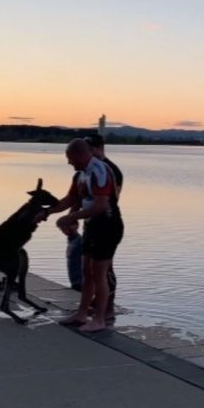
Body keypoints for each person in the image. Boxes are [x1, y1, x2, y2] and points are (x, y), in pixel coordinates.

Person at [47, 138, 124, 332]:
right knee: (86, 271)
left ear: (81, 155)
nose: (68, 163)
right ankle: (82, 313)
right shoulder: (80, 175)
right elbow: (70, 199)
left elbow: (100, 205)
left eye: (70, 158)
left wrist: (71, 217)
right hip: (91, 225)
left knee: (99, 272)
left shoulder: (100, 171)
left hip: (108, 225)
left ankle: (100, 318)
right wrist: (47, 212)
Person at [83, 134, 123, 322]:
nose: (87, 153)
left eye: (90, 149)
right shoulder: (87, 169)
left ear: (98, 148)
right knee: (89, 267)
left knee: (105, 268)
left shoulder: (110, 169)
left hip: (105, 223)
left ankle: (108, 306)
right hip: (90, 221)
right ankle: (95, 302)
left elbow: (110, 200)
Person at [61, 218, 83, 291]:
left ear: (76, 226)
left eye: (68, 226)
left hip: (81, 281)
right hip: (75, 280)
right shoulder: (71, 240)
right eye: (62, 228)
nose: (65, 230)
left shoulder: (80, 241)